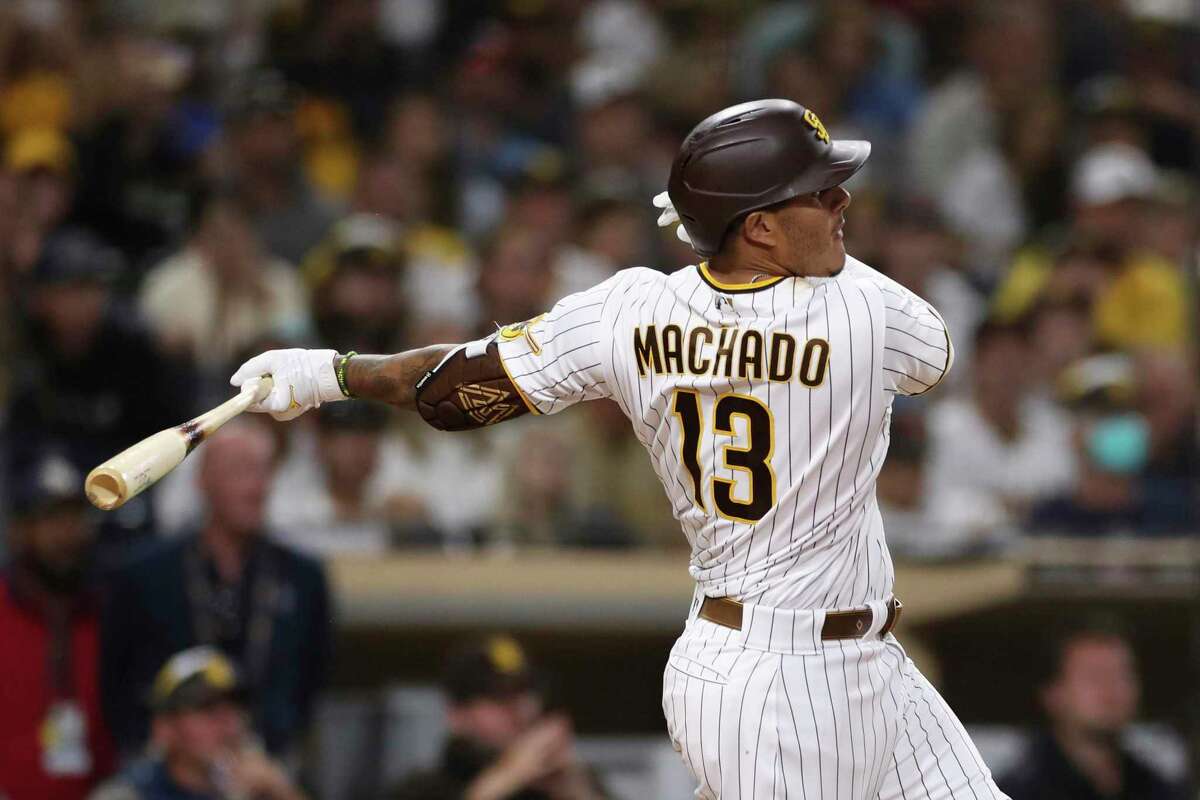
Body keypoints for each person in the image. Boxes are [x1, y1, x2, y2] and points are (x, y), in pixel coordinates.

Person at [232, 98, 1008, 797]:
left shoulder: (629, 310)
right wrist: (725, 236)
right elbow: (934, 355)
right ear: (761, 227)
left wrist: (327, 373)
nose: (842, 203)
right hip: (776, 680)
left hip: (839, 661)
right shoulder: (862, 308)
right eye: (818, 192)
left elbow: (451, 389)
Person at [101, 420, 332, 759]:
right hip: (166, 773)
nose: (258, 487)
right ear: (202, 480)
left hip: (268, 765)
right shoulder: (144, 576)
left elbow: (312, 683)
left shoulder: (303, 577)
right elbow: (117, 685)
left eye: (265, 472)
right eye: (241, 472)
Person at [0, 454, 115, 800]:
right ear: (20, 530)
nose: (67, 534)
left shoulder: (109, 607)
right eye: (51, 519)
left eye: (75, 517)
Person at [391, 635, 606, 800]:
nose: (522, 711)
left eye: (526, 695)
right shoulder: (422, 790)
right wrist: (505, 779)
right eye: (500, 699)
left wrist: (578, 789)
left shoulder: (563, 785)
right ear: (456, 714)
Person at [999, 621, 1187, 800]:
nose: (1111, 688)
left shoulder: (1156, 789)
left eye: (1122, 674)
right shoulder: (1018, 792)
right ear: (1053, 693)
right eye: (1094, 676)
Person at [90, 647, 306, 800]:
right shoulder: (129, 794)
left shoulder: (260, 788)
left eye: (234, 708)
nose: (228, 721)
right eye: (208, 709)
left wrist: (282, 791)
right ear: (164, 728)